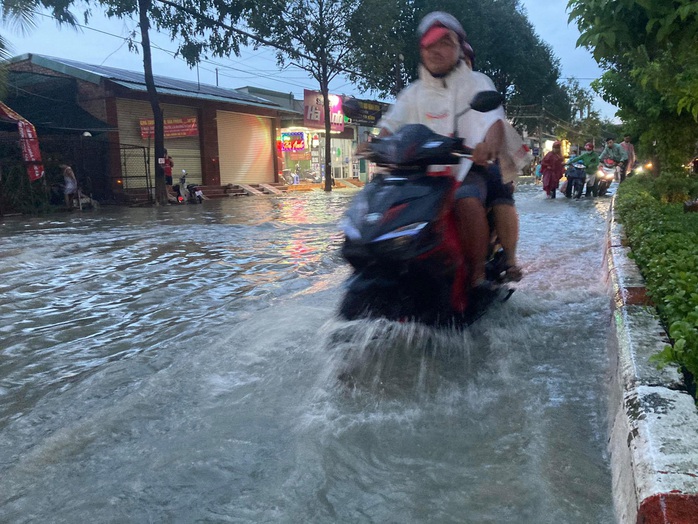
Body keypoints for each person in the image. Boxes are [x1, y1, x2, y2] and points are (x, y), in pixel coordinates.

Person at [375, 11, 529, 286]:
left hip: (469, 167)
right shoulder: (413, 92)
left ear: (458, 47)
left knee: (466, 200)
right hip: (421, 174)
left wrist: (487, 146)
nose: (437, 50)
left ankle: (477, 274)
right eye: (430, 44)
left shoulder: (477, 82)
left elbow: (494, 121)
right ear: (421, 49)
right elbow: (391, 122)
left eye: (445, 43)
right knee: (380, 201)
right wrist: (375, 141)